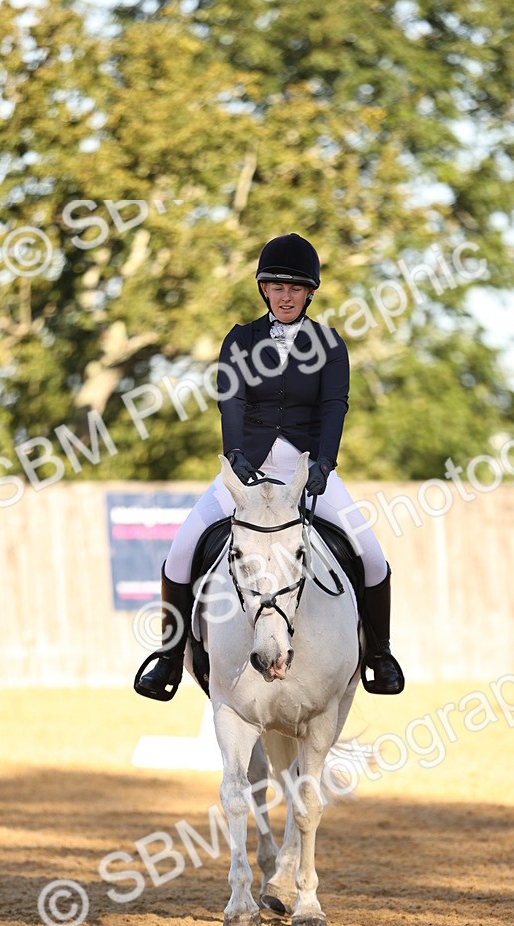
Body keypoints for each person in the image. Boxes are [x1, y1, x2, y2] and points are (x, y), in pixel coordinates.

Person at [133, 232, 405, 701]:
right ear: (264, 289)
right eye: (276, 286)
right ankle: (169, 659)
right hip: (248, 463)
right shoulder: (241, 338)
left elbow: (334, 405)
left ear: (309, 293)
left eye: (295, 288)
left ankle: (379, 654)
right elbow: (232, 400)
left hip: (306, 466)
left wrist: (324, 463)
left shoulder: (329, 342)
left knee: (373, 557)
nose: (285, 296)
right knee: (180, 550)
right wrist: (234, 454)